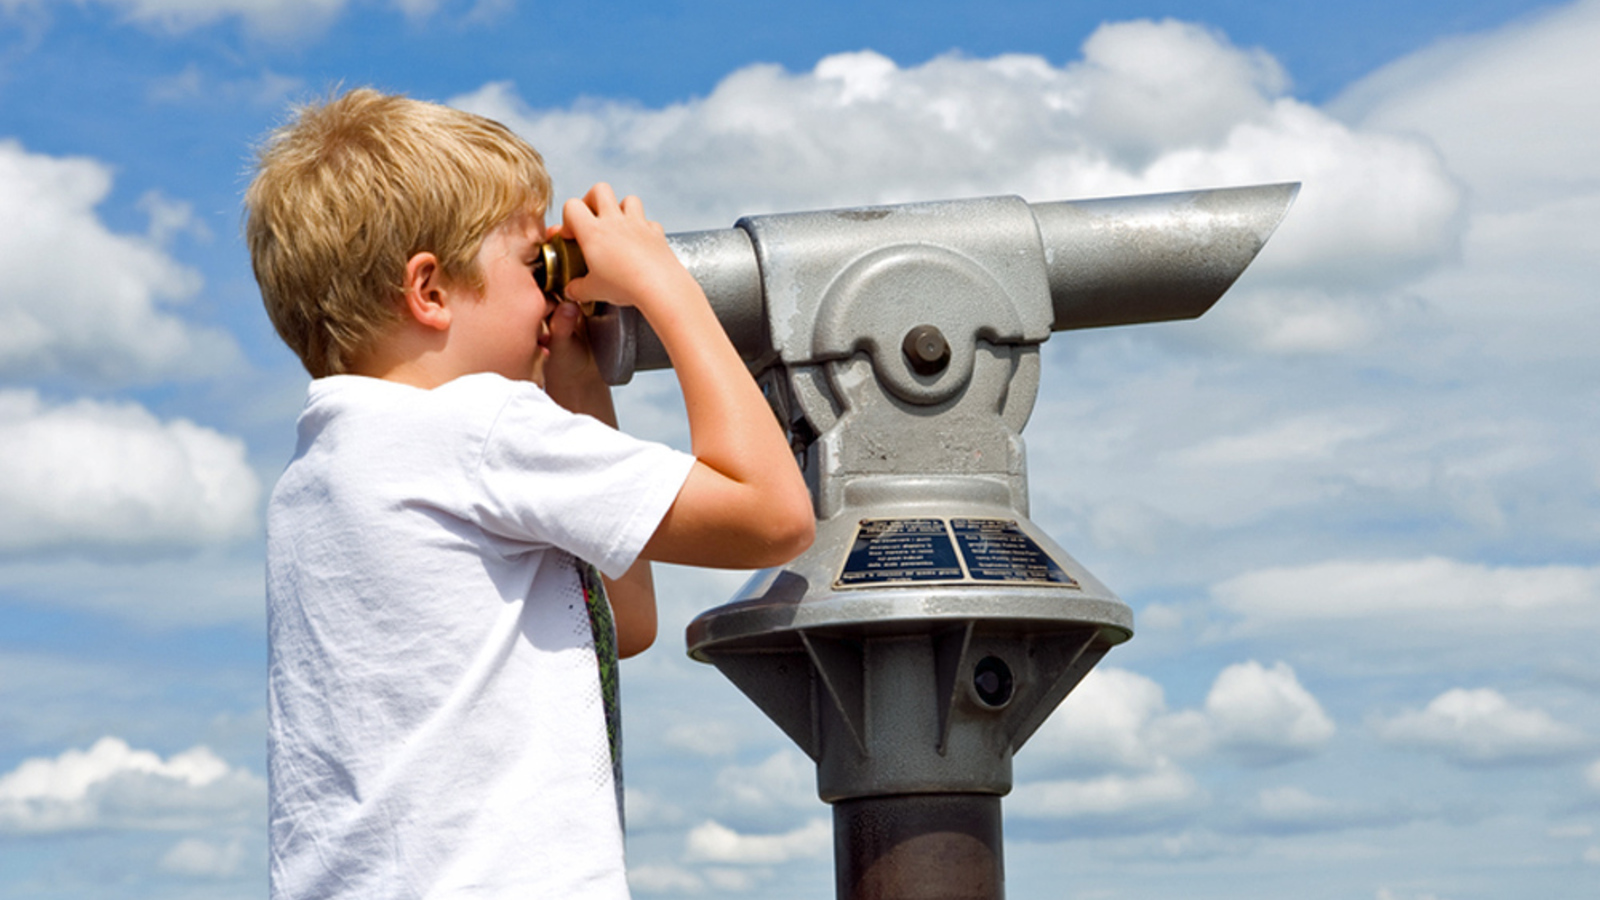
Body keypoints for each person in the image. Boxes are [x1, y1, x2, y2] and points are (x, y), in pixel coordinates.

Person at [244, 88, 814, 899]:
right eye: (534, 266)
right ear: (430, 291)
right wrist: (663, 284)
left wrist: (577, 380)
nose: (554, 292)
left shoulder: (321, 475)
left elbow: (622, 622)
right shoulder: (474, 429)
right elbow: (773, 517)